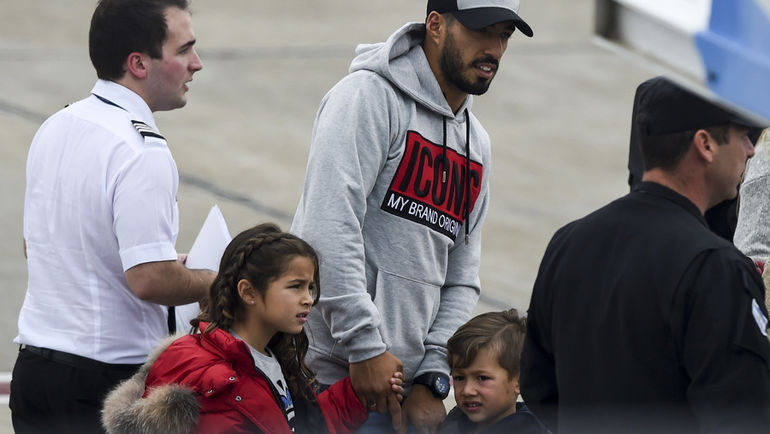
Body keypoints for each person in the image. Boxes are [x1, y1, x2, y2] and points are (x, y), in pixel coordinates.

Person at [291, 0, 533, 431]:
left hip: (406, 398)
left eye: (504, 35)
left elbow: (461, 274)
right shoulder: (366, 98)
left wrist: (433, 377)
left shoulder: (476, 144)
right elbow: (325, 231)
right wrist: (364, 347)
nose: (494, 48)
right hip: (328, 380)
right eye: (482, 31)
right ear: (436, 26)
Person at [521, 76, 770, 433]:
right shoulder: (717, 268)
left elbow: (538, 384)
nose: (750, 150)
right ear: (705, 145)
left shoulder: (569, 243)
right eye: (743, 135)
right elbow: (742, 415)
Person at [10, 1, 213, 433]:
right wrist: (218, 281)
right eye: (184, 51)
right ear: (138, 63)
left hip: (35, 373)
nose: (196, 64)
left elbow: (40, 245)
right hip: (103, 384)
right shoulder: (141, 151)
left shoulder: (57, 125)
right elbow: (149, 279)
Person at [102, 223, 405, 434]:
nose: (308, 299)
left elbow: (303, 424)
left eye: (311, 287)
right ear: (248, 293)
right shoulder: (215, 380)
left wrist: (357, 392)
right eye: (295, 287)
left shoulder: (269, 357)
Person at [438, 309, 548, 434]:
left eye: (482, 378)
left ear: (519, 381)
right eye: (459, 378)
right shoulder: (455, 421)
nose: (467, 390)